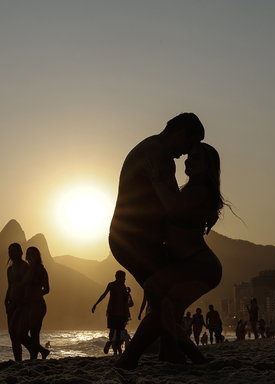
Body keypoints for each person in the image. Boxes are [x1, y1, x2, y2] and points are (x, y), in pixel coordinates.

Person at [116, 142, 225, 369]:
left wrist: (155, 176)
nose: (187, 160)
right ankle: (186, 356)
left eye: (195, 158)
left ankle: (131, 359)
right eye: (188, 156)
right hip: (192, 265)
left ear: (207, 167)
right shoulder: (188, 189)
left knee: (157, 293)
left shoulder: (201, 192)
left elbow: (172, 207)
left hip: (201, 266)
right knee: (166, 312)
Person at [109, 113, 205, 363]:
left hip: (135, 239)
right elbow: (172, 206)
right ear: (181, 133)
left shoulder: (151, 148)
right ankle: (134, 358)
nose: (186, 153)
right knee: (165, 299)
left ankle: (168, 351)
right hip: (133, 241)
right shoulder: (157, 153)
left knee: (166, 297)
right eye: (189, 145)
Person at [92, 270, 130, 355]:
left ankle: (117, 350)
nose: (124, 279)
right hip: (112, 312)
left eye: (124, 277)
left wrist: (128, 293)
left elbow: (125, 300)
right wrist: (96, 304)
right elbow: (104, 294)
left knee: (119, 332)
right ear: (117, 277)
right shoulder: (111, 285)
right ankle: (111, 344)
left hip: (121, 312)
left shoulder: (123, 286)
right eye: (123, 277)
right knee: (112, 332)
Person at [5, 243, 31, 361]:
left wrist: (24, 301)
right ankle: (18, 361)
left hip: (22, 304)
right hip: (11, 303)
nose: (12, 253)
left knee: (20, 334)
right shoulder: (9, 270)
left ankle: (38, 350)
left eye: (15, 251)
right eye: (10, 251)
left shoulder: (25, 267)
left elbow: (27, 286)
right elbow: (10, 286)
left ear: (20, 252)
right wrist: (6, 300)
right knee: (12, 333)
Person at [23, 246, 51, 359]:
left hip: (38, 305)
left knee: (34, 333)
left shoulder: (41, 269)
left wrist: (36, 295)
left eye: (32, 254)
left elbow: (47, 289)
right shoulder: (26, 269)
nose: (29, 256)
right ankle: (42, 351)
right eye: (28, 254)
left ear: (37, 256)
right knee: (22, 333)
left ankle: (33, 358)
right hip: (27, 306)